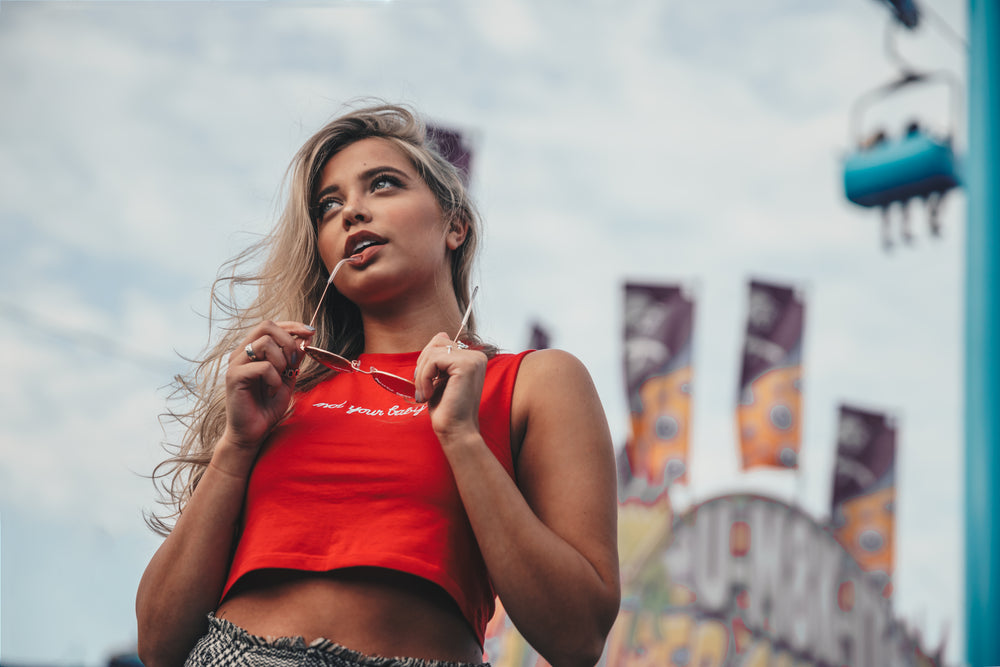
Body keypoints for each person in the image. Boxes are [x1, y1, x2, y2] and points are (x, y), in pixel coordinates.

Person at [136, 102, 620, 667]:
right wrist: (236, 447)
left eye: (383, 184)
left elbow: (578, 636)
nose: (352, 213)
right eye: (329, 205)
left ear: (455, 225)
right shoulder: (279, 394)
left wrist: (463, 438)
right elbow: (158, 643)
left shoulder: (532, 381)